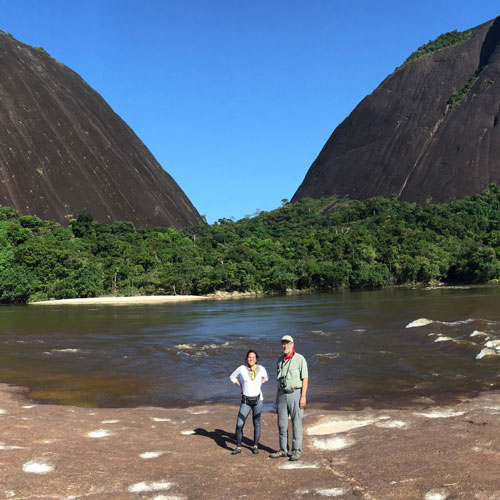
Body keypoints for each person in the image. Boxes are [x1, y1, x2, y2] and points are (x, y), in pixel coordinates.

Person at [270, 335, 308, 461]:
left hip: (295, 394)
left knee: (296, 423)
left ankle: (297, 451)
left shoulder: (300, 358)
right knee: (281, 424)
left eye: (287, 343)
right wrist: (276, 398)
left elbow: (305, 378)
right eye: (283, 344)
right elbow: (278, 381)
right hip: (281, 395)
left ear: (292, 344)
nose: (285, 346)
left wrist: (303, 397)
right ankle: (283, 450)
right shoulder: (280, 360)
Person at [229, 350, 268, 455]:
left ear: (256, 359)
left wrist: (260, 383)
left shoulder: (261, 369)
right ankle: (238, 446)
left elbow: (266, 378)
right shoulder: (241, 369)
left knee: (257, 423)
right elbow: (232, 377)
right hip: (245, 401)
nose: (251, 359)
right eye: (250, 357)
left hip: (258, 400)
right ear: (247, 358)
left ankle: (255, 446)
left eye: (253, 357)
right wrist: (240, 384)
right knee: (239, 424)